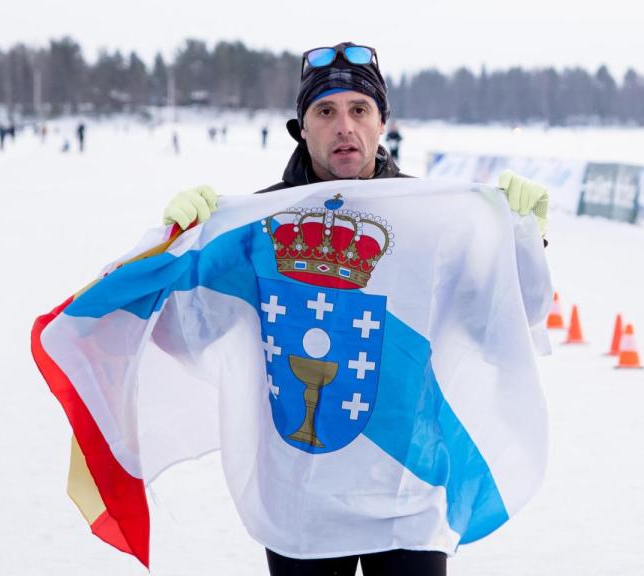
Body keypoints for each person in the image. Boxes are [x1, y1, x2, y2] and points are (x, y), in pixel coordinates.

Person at [160, 42, 549, 576]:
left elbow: (502, 327)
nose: (344, 126)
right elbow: (186, 332)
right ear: (302, 126)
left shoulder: (435, 219)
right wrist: (179, 251)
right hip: (303, 499)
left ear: (382, 122)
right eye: (326, 111)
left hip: (407, 490)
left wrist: (522, 242)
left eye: (359, 110)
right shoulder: (257, 226)